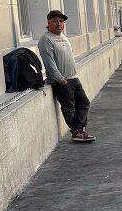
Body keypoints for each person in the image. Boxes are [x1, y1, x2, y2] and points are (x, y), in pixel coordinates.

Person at [38, 10, 96, 143]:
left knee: (84, 103)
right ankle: (77, 132)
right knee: (69, 107)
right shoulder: (46, 39)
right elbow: (49, 62)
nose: (59, 24)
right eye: (55, 21)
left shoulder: (63, 37)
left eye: (61, 21)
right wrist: (61, 80)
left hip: (73, 77)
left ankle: (79, 130)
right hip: (62, 81)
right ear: (48, 23)